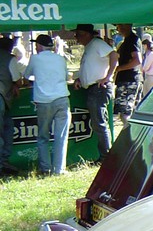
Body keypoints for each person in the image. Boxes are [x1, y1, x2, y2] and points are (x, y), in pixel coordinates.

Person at [23, 34, 71, 175]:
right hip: (62, 98)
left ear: (39, 46)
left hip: (43, 101)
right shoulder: (60, 58)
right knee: (61, 136)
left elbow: (26, 76)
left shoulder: (35, 59)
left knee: (43, 136)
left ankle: (45, 168)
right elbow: (67, 76)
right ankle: (59, 169)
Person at [73, 23, 118, 163]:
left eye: (78, 34)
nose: (76, 37)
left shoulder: (97, 43)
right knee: (99, 123)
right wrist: (81, 78)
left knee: (99, 123)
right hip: (93, 88)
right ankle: (105, 155)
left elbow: (114, 55)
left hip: (99, 88)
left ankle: (106, 157)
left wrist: (108, 76)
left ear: (87, 34)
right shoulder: (90, 46)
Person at [113, 23, 142, 129]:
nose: (119, 29)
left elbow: (137, 60)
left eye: (122, 26)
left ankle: (129, 134)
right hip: (129, 79)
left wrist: (120, 68)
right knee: (128, 112)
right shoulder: (126, 41)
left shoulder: (132, 40)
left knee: (125, 113)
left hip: (128, 80)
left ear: (129, 26)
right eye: (118, 27)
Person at [0, 35, 21, 171]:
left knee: (6, 127)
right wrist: (15, 85)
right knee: (5, 131)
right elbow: (18, 80)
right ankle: (2, 163)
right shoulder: (10, 59)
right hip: (2, 97)